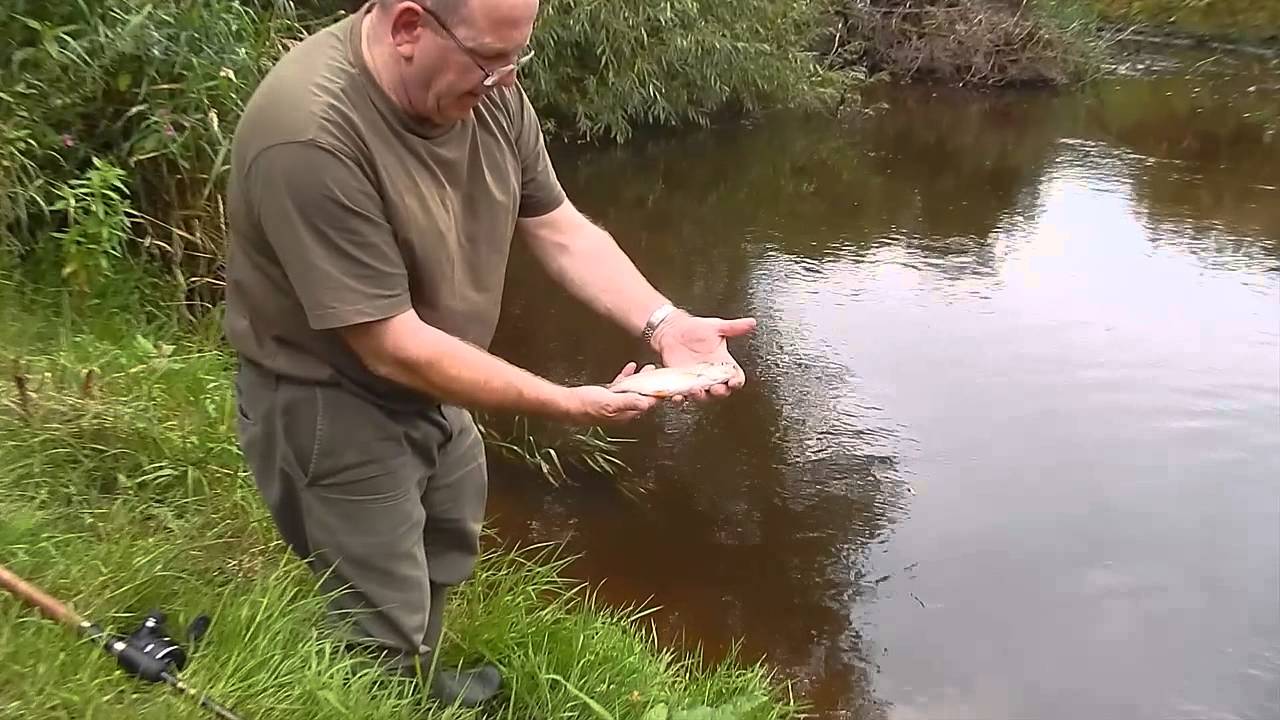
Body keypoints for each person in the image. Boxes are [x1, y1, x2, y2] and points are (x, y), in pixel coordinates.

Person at [223, 0, 755, 708]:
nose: (507, 82)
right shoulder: (309, 136)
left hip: (438, 382)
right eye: (489, 60)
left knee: (445, 545)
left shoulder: (487, 87)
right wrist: (566, 403)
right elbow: (391, 345)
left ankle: (419, 683)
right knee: (375, 614)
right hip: (332, 398)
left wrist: (664, 324)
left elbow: (560, 228)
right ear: (410, 27)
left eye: (517, 59)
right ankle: (378, 694)